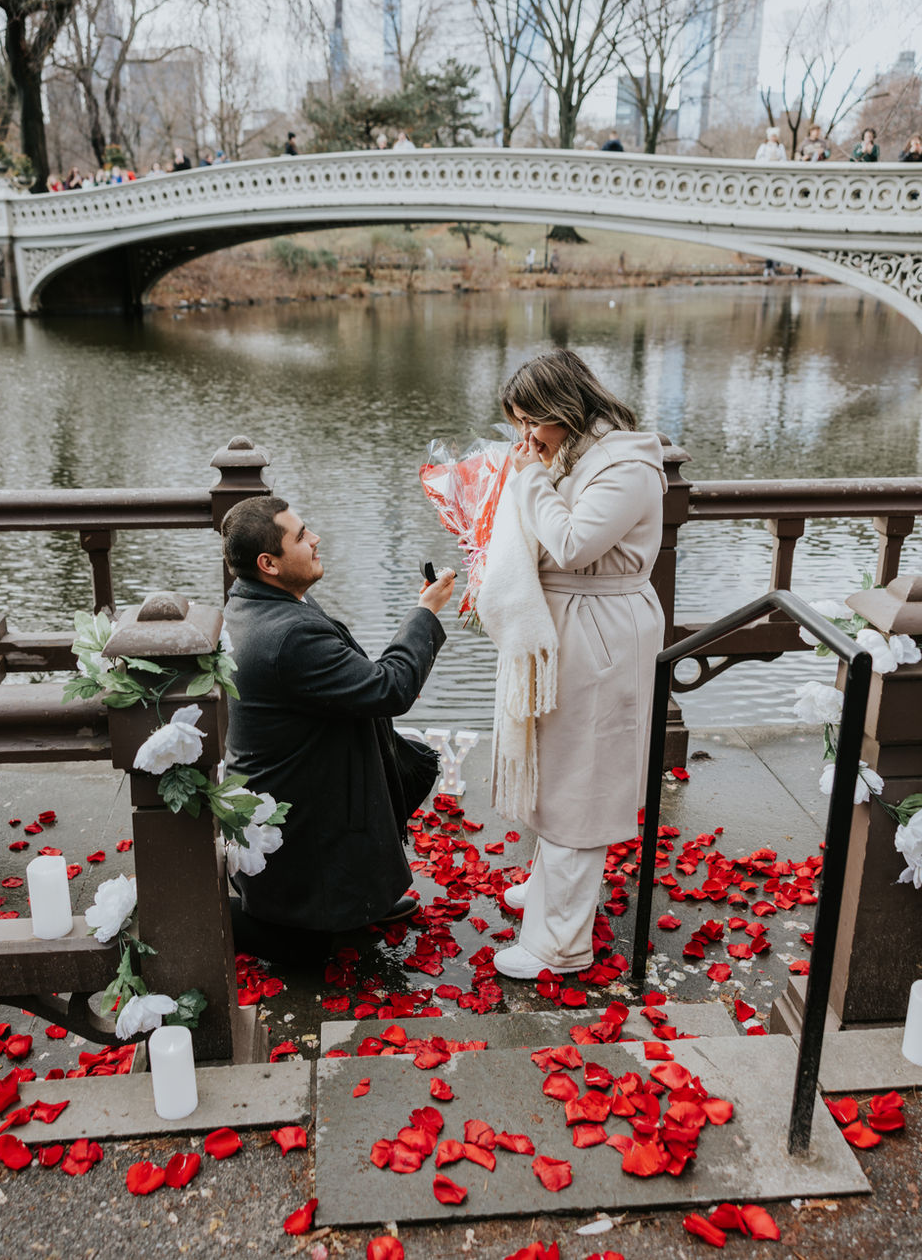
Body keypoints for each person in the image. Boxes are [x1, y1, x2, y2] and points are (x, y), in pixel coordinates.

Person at [475, 349, 667, 979]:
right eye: (519, 425)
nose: (526, 439)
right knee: (558, 765)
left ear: (567, 408)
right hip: (573, 626)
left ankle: (559, 945)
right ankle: (551, 892)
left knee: (582, 779)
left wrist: (527, 480)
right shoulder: (577, 449)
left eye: (535, 423)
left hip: (600, 631)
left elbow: (573, 543)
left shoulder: (627, 467)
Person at [220, 495, 455, 955]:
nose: (315, 538)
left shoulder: (256, 601)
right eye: (301, 536)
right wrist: (425, 612)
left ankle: (357, 901)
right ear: (268, 562)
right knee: (308, 950)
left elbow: (360, 681)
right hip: (295, 815)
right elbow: (389, 689)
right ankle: (173, 919)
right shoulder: (288, 634)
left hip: (294, 780)